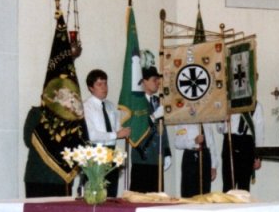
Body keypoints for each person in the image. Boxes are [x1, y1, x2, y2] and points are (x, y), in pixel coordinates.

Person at [83, 69, 131, 198]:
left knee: (111, 193)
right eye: (99, 84)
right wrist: (116, 135)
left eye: (105, 83)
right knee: (96, 194)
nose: (104, 88)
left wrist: (126, 129)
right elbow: (92, 135)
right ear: (90, 88)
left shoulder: (110, 106)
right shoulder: (87, 107)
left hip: (111, 153)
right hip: (95, 155)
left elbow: (117, 128)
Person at [130, 66, 171, 193]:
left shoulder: (158, 102)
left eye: (158, 80)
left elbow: (162, 129)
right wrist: (153, 116)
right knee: (140, 198)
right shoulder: (136, 102)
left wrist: (167, 152)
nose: (158, 82)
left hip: (157, 157)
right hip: (142, 157)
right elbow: (136, 127)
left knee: (156, 200)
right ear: (144, 81)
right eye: (154, 80)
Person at [23, 105, 73, 197]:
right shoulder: (36, 113)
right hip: (38, 176)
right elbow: (28, 140)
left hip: (61, 177)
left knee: (62, 211)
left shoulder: (70, 116)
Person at [218, 102, 264, 192]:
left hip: (246, 144)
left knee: (244, 187)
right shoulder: (226, 103)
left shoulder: (255, 105)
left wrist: (258, 156)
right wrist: (223, 120)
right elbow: (219, 129)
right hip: (229, 141)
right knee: (228, 186)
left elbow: (259, 131)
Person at [174, 123, 218, 197]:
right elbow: (177, 143)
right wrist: (194, 141)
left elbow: (212, 143)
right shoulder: (185, 120)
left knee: (205, 193)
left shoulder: (206, 120)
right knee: (189, 192)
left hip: (206, 156)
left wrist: (214, 166)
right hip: (191, 157)